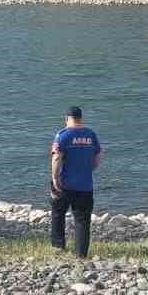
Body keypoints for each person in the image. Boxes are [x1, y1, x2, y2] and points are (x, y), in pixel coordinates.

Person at [50, 106, 103, 258]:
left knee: (58, 213)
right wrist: (89, 168)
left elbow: (56, 157)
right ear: (81, 118)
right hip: (85, 184)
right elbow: (99, 155)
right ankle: (81, 254)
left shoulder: (63, 135)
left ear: (66, 118)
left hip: (64, 183)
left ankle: (58, 246)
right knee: (82, 220)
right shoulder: (91, 134)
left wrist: (55, 178)